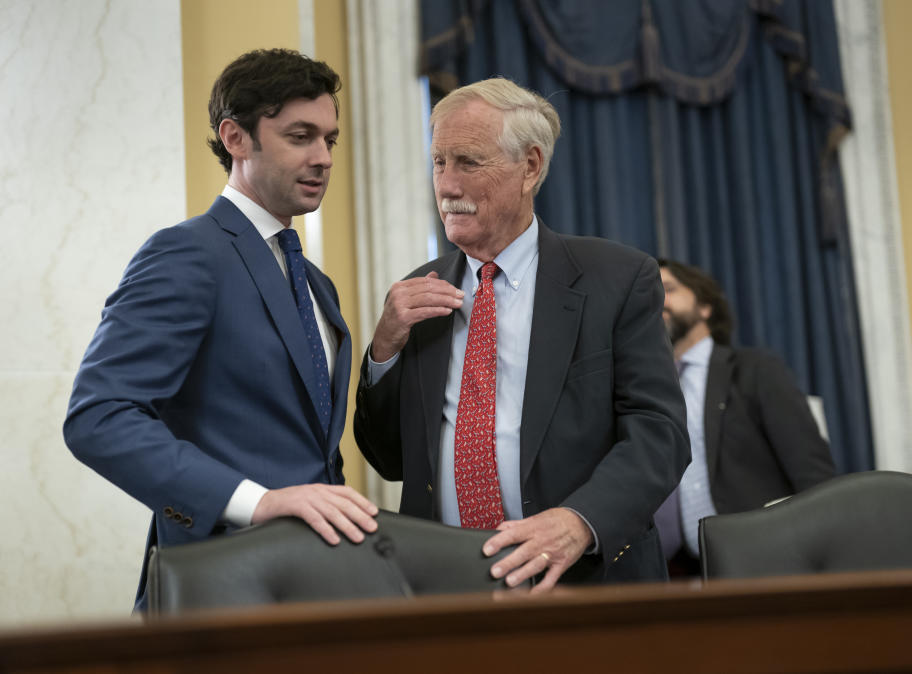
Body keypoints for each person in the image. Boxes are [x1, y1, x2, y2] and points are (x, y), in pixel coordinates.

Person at [64, 49, 378, 609]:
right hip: (222, 585)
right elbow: (98, 416)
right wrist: (256, 502)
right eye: (300, 135)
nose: (323, 156)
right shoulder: (186, 253)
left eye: (329, 139)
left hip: (320, 586)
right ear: (235, 138)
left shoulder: (315, 283)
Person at [353, 78, 690, 591]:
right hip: (445, 587)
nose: (446, 185)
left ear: (529, 166)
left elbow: (659, 433)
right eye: (439, 162)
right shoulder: (421, 292)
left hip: (585, 580)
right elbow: (389, 459)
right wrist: (384, 349)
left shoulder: (616, 278)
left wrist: (582, 520)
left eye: (468, 162)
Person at [654, 259, 837, 576]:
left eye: (668, 290)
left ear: (705, 307)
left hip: (769, 564)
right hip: (681, 574)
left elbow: (812, 471)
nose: (658, 302)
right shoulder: (647, 389)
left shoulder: (754, 370)